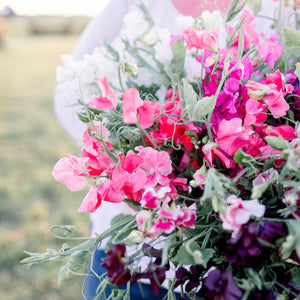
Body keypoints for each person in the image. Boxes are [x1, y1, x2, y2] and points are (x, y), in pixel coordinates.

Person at [54, 0, 293, 299]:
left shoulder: (279, 9)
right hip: (126, 256)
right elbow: (66, 95)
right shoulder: (133, 4)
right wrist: (131, 164)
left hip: (228, 265)